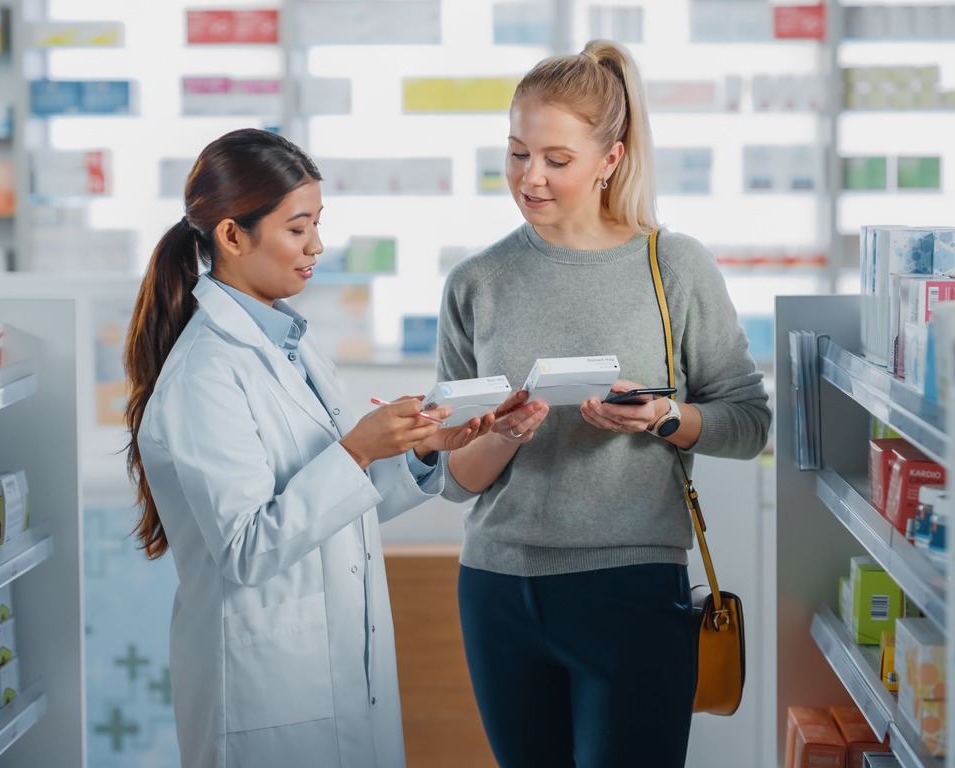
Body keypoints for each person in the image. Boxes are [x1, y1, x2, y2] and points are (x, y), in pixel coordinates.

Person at [435, 40, 772, 767]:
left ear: (610, 159)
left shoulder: (673, 267)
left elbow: (750, 424)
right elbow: (452, 479)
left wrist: (664, 418)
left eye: (556, 159)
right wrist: (504, 435)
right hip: (497, 587)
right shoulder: (476, 282)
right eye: (517, 153)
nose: (530, 177)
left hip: (631, 589)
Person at [123, 128, 491, 768]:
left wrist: (417, 450)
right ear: (232, 235)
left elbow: (333, 512)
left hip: (339, 675)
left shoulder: (292, 347)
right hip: (263, 694)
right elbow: (246, 547)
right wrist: (356, 452)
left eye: (318, 224)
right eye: (298, 229)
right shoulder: (206, 373)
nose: (316, 245)